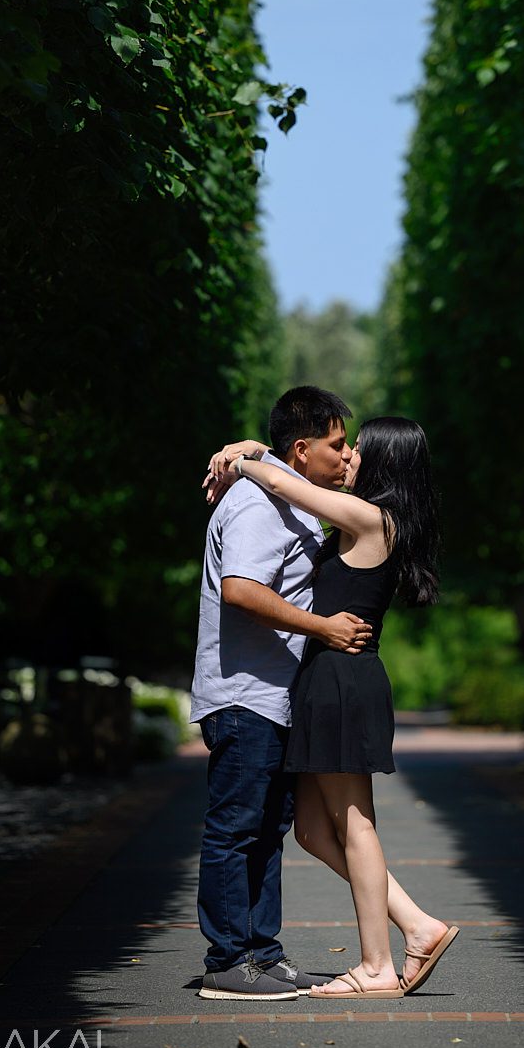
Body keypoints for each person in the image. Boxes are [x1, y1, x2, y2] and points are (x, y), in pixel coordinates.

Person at [216, 416, 458, 999]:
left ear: (383, 464)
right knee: (310, 830)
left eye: (357, 450)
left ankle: (376, 965)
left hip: (343, 683)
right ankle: (417, 924)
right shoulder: (368, 520)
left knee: (354, 823)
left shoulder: (372, 518)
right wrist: (255, 447)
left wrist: (243, 461)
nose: (346, 457)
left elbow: (290, 486)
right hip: (331, 681)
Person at [191, 386, 374, 1000]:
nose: (344, 453)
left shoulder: (283, 494)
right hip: (245, 695)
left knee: (268, 829)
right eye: (336, 444)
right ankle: (227, 960)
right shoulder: (255, 503)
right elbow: (241, 589)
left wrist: (247, 452)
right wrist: (323, 627)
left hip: (273, 696)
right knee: (237, 827)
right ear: (301, 449)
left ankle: (261, 955)